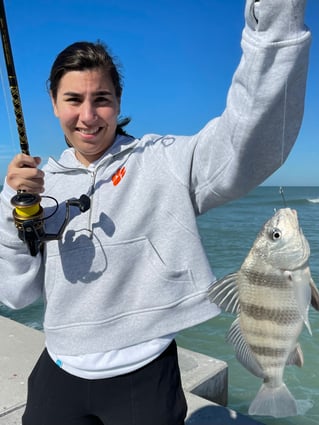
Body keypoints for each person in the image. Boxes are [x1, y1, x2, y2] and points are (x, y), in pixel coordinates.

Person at [0, 1, 311, 424]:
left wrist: (274, 20)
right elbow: (16, 294)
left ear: (118, 100)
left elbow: (250, 141)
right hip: (58, 373)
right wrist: (12, 208)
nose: (88, 116)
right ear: (53, 103)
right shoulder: (36, 185)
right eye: (73, 99)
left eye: (101, 99)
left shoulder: (163, 160)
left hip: (142, 378)